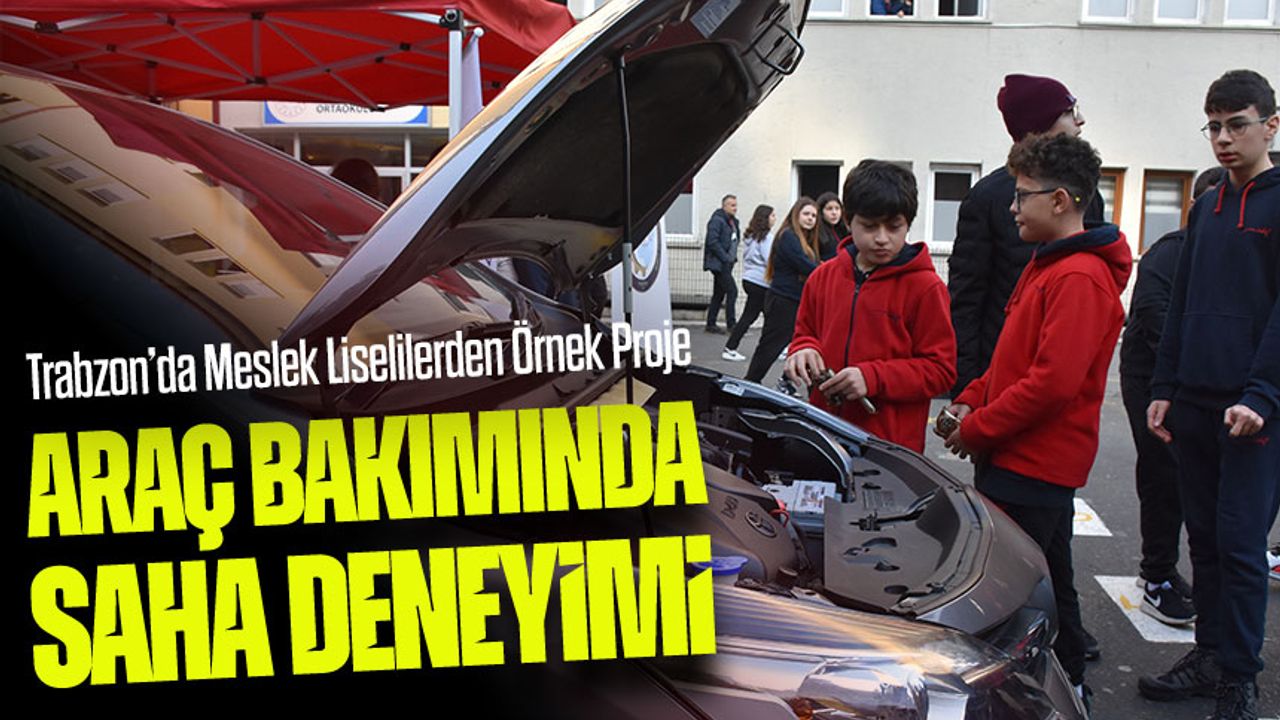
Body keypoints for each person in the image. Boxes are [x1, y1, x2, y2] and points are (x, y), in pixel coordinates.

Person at [942, 133, 1131, 709]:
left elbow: (1051, 385)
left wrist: (976, 430)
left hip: (1035, 466)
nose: (1013, 207)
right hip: (1016, 456)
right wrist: (971, 398)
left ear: (1061, 200)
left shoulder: (1077, 277)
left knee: (1018, 594)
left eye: (1023, 195)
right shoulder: (1048, 265)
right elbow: (1012, 360)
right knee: (1052, 579)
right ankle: (1070, 680)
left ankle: (1039, 695)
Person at [1140, 69, 1280, 720]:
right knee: (1203, 542)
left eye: (1237, 125)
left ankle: (1239, 679)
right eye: (1214, 126)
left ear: (1270, 126)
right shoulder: (1207, 207)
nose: (1223, 138)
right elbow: (1183, 303)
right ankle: (1209, 656)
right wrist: (1164, 385)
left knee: (1241, 547)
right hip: (1194, 403)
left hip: (1253, 411)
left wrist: (1263, 394)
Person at [948, 74, 1105, 398]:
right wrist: (966, 390)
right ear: (1039, 125)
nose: (1080, 121)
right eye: (1069, 112)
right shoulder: (987, 198)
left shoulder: (1088, 196)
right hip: (997, 378)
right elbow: (966, 301)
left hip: (1062, 379)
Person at [785, 161, 955, 452]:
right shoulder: (822, 277)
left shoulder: (926, 288)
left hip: (887, 448)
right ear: (848, 220)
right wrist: (803, 349)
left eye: (894, 227)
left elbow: (941, 370)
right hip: (823, 432)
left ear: (908, 224)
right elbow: (805, 333)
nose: (881, 238)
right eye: (869, 226)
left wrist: (873, 377)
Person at [1119, 166, 1225, 628]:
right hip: (1153, 380)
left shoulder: (1237, 253)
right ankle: (1157, 576)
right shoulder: (1169, 253)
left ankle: (1181, 576)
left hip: (1205, 384)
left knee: (1199, 480)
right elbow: (1154, 315)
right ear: (1195, 207)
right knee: (1164, 474)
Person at [745, 197, 820, 383]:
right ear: (796, 214)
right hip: (784, 300)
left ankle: (784, 383)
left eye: (814, 216)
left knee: (799, 345)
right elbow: (803, 264)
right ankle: (750, 383)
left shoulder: (803, 239)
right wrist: (825, 271)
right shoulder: (788, 236)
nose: (810, 218)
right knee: (771, 347)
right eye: (806, 214)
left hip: (793, 299)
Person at [724, 204, 775, 361]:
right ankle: (732, 348)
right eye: (772, 215)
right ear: (765, 218)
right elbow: (769, 260)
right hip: (762, 282)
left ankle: (731, 347)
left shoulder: (750, 236)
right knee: (768, 317)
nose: (775, 218)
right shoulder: (767, 238)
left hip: (749, 279)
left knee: (754, 316)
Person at [703, 194, 741, 335]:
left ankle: (711, 324)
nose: (735, 208)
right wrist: (725, 258)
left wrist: (732, 259)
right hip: (719, 264)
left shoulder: (733, 222)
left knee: (719, 293)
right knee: (732, 291)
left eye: (736, 205)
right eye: (732, 205)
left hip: (726, 263)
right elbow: (712, 241)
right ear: (724, 206)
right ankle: (731, 325)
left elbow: (734, 239)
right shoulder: (717, 221)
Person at [815, 191, 849, 260]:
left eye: (837, 208)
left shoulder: (844, 230)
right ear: (821, 211)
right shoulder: (817, 232)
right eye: (829, 209)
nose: (834, 212)